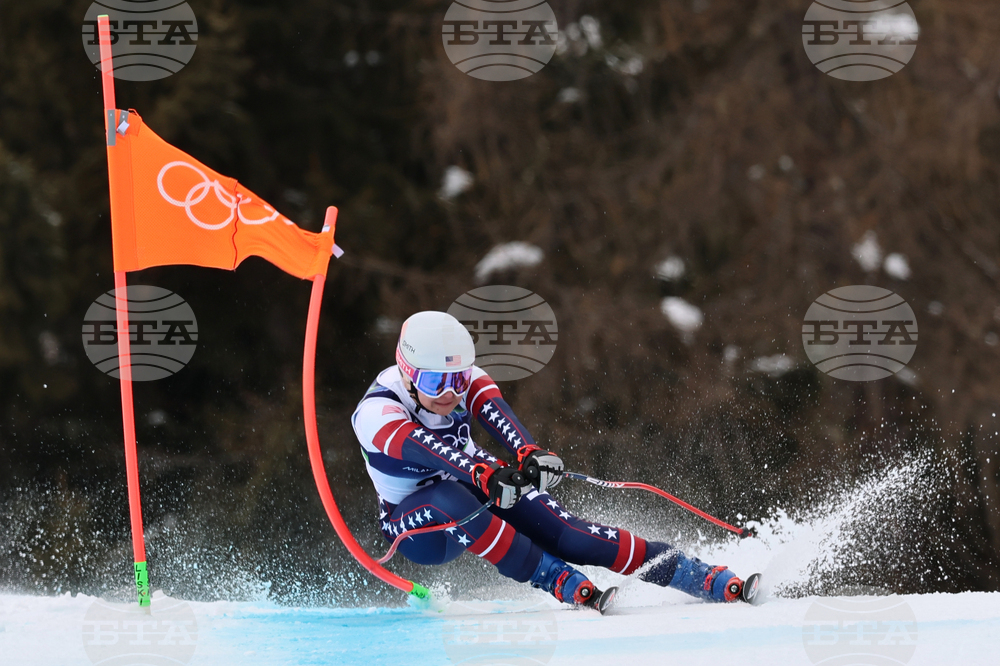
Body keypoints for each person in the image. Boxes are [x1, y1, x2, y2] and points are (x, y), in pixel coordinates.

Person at [351, 310, 749, 608]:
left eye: (457, 380)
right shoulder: (376, 413)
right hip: (418, 527)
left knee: (570, 534)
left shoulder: (459, 379)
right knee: (451, 499)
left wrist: (529, 453)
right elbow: (426, 447)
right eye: (435, 382)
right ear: (407, 373)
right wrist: (485, 472)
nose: (449, 393)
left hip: (472, 481)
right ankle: (552, 577)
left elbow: (495, 411)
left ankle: (693, 574)